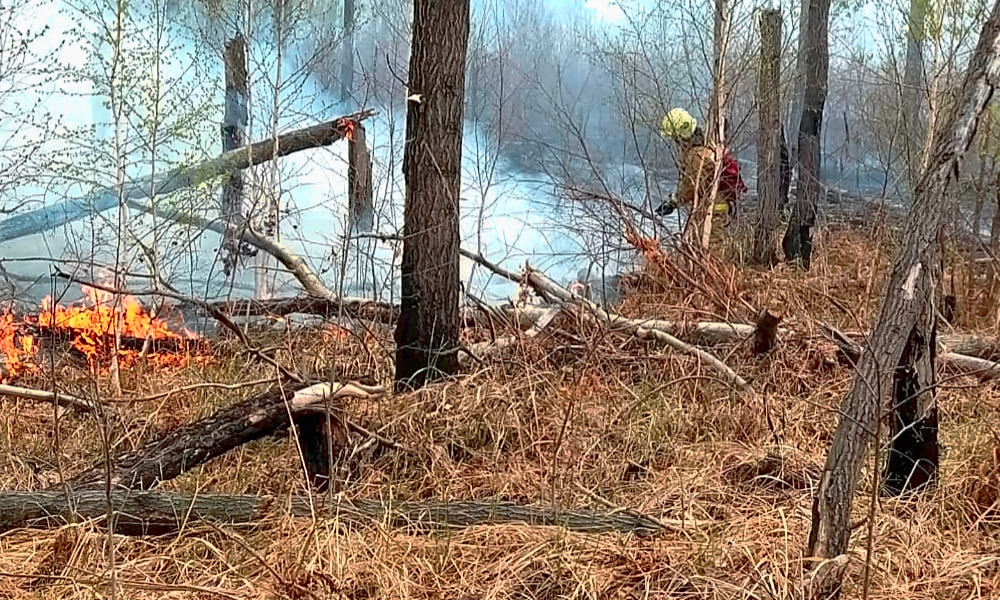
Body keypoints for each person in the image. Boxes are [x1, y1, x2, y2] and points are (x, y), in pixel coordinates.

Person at [655, 108, 747, 234]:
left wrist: (672, 202)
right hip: (712, 209)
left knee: (712, 246)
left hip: (712, 212)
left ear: (681, 135)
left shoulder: (697, 156)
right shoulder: (706, 142)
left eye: (675, 137)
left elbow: (691, 186)